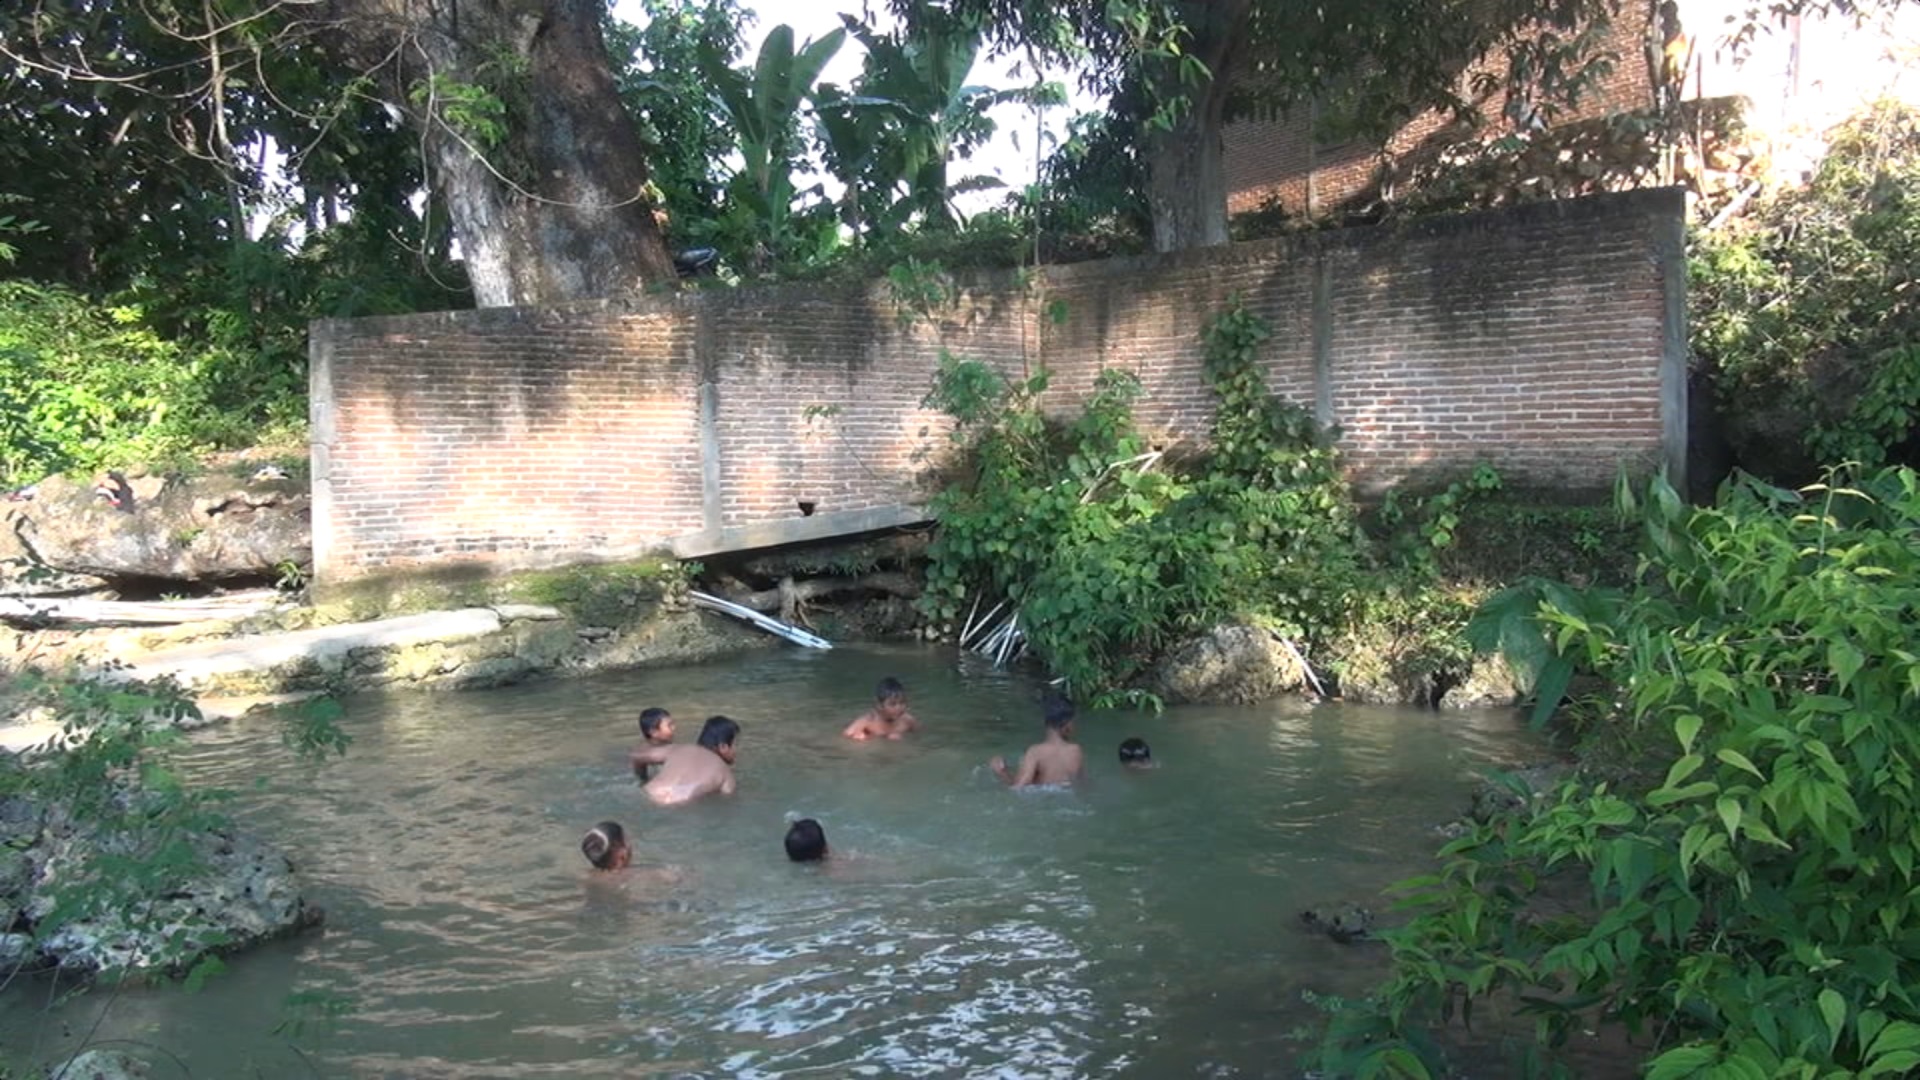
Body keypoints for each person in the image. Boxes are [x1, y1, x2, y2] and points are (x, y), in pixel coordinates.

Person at [629, 716, 740, 806]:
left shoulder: (678, 748)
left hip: (647, 793)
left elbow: (636, 757)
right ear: (723, 747)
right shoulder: (726, 773)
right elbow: (726, 805)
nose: (739, 749)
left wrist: (643, 779)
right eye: (736, 744)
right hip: (677, 805)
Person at [989, 696, 1085, 788]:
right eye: (1073, 722)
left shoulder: (1036, 752)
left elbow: (1018, 788)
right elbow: (1082, 784)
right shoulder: (1076, 751)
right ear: (1067, 725)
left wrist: (1002, 772)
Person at [842, 676, 918, 740]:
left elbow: (919, 736)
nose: (899, 707)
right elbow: (844, 737)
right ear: (879, 705)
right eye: (892, 704)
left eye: (902, 702)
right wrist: (866, 738)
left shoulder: (907, 721)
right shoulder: (868, 722)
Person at [632, 707, 675, 782]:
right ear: (654, 732)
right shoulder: (645, 754)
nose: (674, 728)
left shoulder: (639, 754)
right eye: (669, 725)